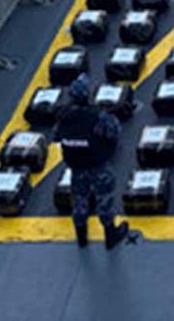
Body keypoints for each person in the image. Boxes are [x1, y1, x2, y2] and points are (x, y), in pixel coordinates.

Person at [53, 74, 130, 249]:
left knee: (79, 199)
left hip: (76, 166)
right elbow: (114, 132)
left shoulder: (63, 116)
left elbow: (56, 137)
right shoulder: (96, 116)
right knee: (104, 198)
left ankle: (81, 236)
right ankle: (110, 235)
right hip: (97, 164)